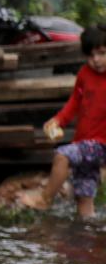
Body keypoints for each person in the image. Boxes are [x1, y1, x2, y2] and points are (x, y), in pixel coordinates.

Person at [24, 24, 106, 219]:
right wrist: (58, 120)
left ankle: (44, 199)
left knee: (62, 156)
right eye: (91, 55)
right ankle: (88, 238)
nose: (96, 60)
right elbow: (74, 103)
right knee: (83, 199)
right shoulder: (85, 74)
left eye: (102, 54)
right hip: (83, 142)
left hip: (101, 144)